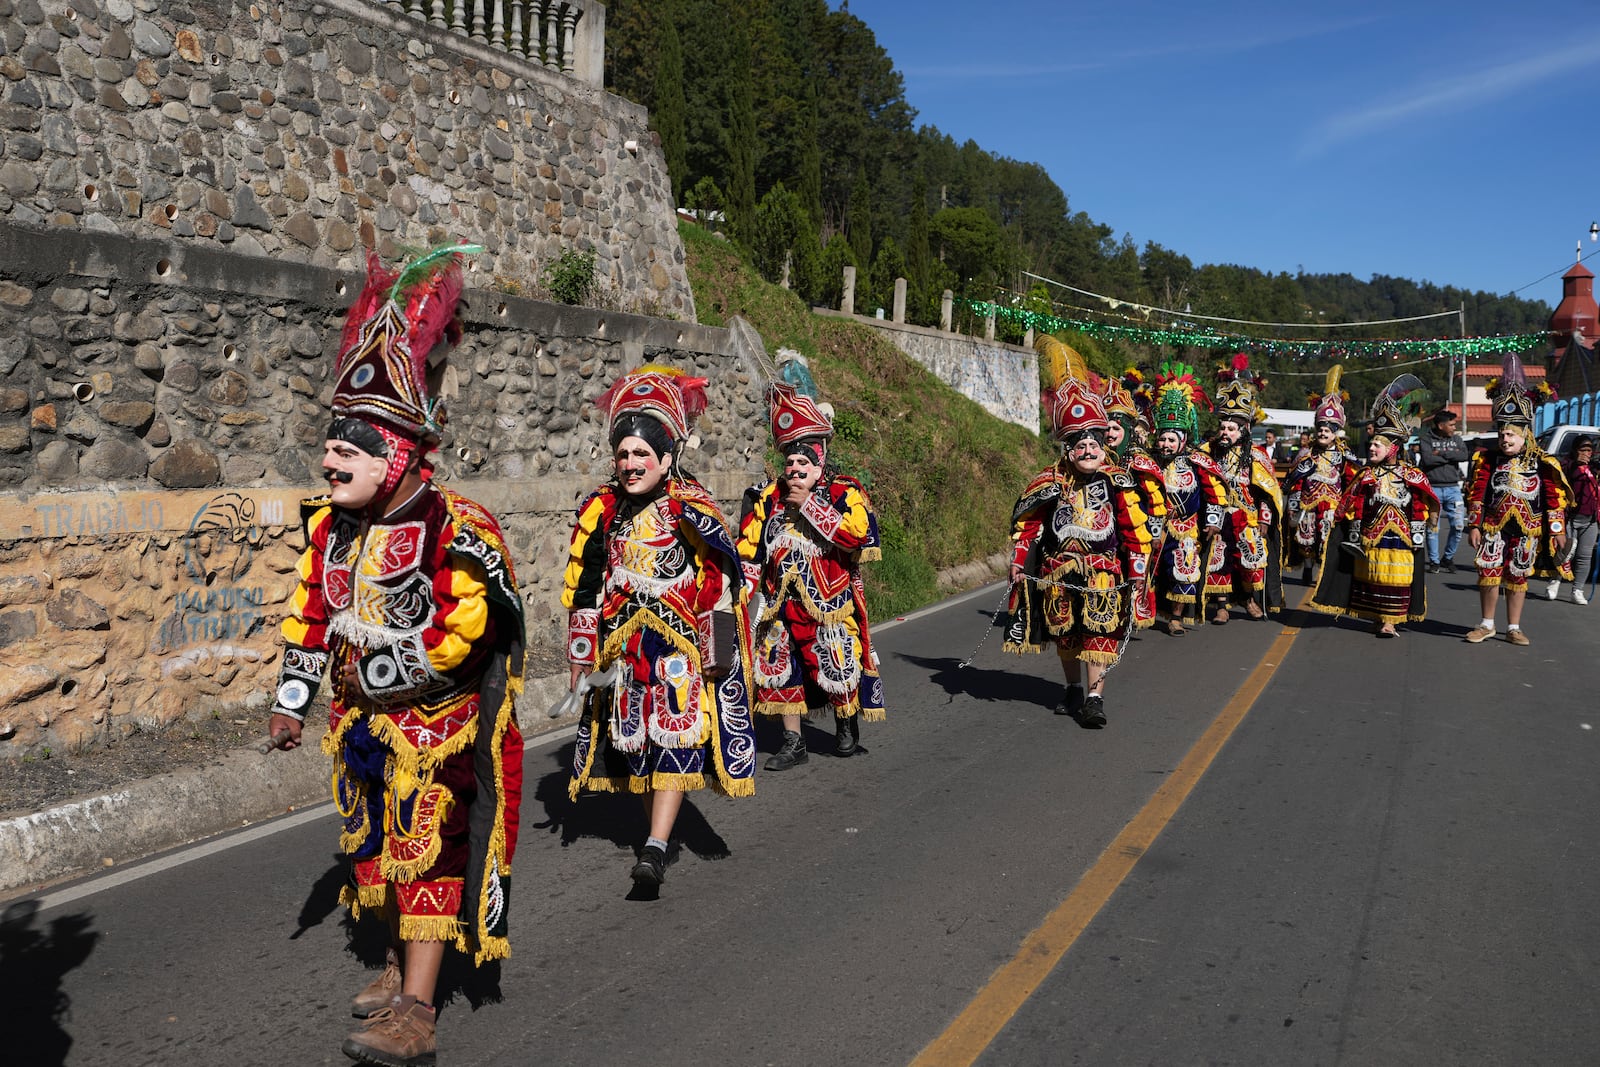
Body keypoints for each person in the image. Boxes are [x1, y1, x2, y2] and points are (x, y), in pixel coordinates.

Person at [266, 246, 527, 1067]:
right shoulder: (332, 528)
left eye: (350, 445)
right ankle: (393, 966)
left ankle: (419, 1011)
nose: (330, 457)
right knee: (373, 853)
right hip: (361, 732)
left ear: (401, 455)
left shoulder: (458, 528)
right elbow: (312, 611)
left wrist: (385, 678)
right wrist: (292, 698)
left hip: (433, 734)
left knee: (425, 857)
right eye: (329, 442)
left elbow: (466, 632)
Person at [563, 365, 758, 889]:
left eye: (641, 455)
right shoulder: (602, 510)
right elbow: (584, 582)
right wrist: (582, 652)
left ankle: (654, 845)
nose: (630, 464)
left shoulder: (689, 508)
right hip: (624, 650)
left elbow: (719, 574)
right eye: (623, 454)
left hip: (678, 647)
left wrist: (714, 640)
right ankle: (659, 832)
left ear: (666, 459)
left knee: (674, 733)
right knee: (635, 744)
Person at [739, 368, 885, 769]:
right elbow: (750, 548)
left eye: (804, 462)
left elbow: (858, 537)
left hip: (830, 601)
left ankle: (845, 722)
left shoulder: (844, 492)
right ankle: (792, 741)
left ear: (819, 464)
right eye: (790, 463)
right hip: (780, 603)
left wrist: (809, 506)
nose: (795, 470)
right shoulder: (767, 498)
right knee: (780, 668)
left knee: (836, 662)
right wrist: (740, 594)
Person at [1005, 338, 1153, 727]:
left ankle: (1093, 698)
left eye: (1094, 443)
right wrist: (1020, 563)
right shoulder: (1048, 481)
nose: (1088, 450)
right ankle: (1072, 688)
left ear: (1105, 445)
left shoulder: (1118, 481)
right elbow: (1029, 526)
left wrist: (1137, 573)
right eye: (1080, 444)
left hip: (1104, 572)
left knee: (1099, 635)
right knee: (1066, 635)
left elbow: (1134, 530)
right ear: (1066, 449)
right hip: (1058, 572)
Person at [1309, 375, 1438, 636]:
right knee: (1373, 575)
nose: (1372, 447)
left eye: (1378, 444)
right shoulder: (1365, 475)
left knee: (1397, 576)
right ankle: (1378, 617)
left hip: (1401, 539)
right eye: (1373, 443)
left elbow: (1427, 502)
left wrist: (1428, 522)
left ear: (1393, 449)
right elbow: (1347, 503)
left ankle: (1390, 620)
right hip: (1370, 537)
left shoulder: (1411, 475)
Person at [1462, 355, 1572, 646]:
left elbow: (1553, 499)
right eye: (1502, 433)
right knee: (1488, 572)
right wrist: (1474, 525)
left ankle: (1513, 627)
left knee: (1518, 575)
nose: (1505, 438)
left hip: (1527, 528)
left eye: (1511, 434)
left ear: (1525, 435)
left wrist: (1558, 532)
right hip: (1494, 526)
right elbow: (1478, 493)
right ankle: (1486, 624)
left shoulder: (1542, 462)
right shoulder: (1487, 459)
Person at [1201, 354, 1284, 623]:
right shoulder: (1208, 451)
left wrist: (1264, 517)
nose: (1225, 432)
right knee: (1219, 558)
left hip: (1247, 515)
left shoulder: (1257, 456)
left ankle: (1249, 600)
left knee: (1250, 559)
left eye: (1231, 429)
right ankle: (1222, 606)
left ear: (1243, 431)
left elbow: (1267, 492)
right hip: (1218, 514)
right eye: (1223, 427)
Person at [1149, 362, 1226, 635]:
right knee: (1149, 572)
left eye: (1172, 439)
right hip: (1152, 527)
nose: (1166, 444)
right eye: (1163, 439)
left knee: (1184, 571)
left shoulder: (1197, 461)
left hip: (1186, 528)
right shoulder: (1148, 461)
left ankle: (1175, 617)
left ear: (1182, 439)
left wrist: (1214, 521)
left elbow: (1216, 492)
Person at [1097, 369, 1168, 630]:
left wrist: (1151, 537)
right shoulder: (1094, 458)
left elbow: (1157, 504)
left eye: (1116, 428)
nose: (1110, 434)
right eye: (1106, 428)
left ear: (1127, 429)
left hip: (1133, 535)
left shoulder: (1140, 462)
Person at [1282, 365, 1359, 585]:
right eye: (1321, 429)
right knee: (1307, 540)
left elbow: (1352, 480)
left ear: (1336, 433)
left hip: (1333, 505)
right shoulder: (1307, 455)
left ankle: (1323, 572)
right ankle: (1307, 568)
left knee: (1327, 540)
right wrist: (1295, 505)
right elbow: (1295, 482)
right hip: (1309, 503)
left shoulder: (1345, 455)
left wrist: (1349, 507)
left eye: (1328, 430)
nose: (1323, 433)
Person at [1416, 408, 1470, 574]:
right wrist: (1450, 454)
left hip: (1453, 488)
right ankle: (1434, 561)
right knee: (1433, 527)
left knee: (1459, 526)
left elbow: (1464, 455)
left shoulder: (1457, 439)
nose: (1454, 428)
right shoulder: (1426, 439)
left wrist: (1440, 453)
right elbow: (1427, 459)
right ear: (1441, 425)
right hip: (1433, 489)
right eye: (1452, 425)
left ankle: (1448, 557)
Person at [1548, 436, 1598, 604]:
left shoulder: (1593, 468)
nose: (1586, 453)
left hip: (1590, 519)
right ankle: (1555, 581)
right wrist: (1576, 464)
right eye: (1583, 450)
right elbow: (1563, 479)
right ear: (1575, 450)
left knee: (1585, 556)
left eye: (1589, 450)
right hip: (1570, 517)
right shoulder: (1566, 465)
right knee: (1566, 552)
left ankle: (1577, 590)